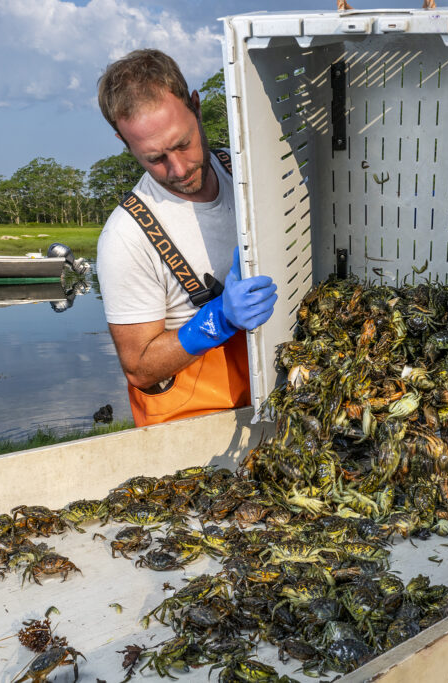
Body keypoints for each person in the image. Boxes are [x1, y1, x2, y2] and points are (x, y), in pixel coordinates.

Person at [96, 49, 277, 428]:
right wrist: (218, 320)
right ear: (124, 141)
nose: (178, 169)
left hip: (274, 403)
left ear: (195, 105)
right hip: (192, 429)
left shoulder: (246, 174)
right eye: (155, 158)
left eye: (182, 144)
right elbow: (139, 368)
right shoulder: (126, 236)